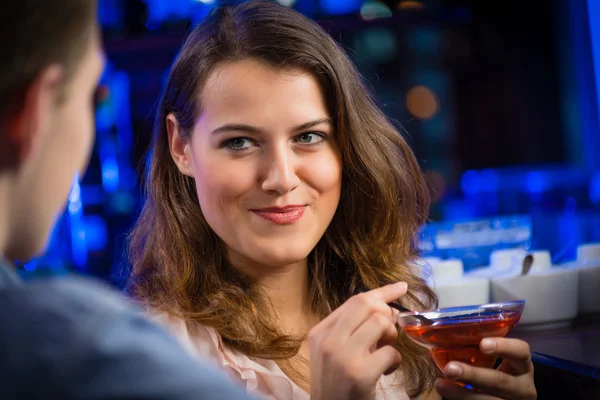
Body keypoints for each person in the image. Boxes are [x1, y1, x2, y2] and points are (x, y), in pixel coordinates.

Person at [127, 1, 537, 400]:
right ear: (181, 147)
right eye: (239, 142)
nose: (281, 179)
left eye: (308, 137)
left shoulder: (399, 306)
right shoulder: (153, 362)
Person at [0, 1, 257, 399]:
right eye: (91, 97)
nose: (281, 177)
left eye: (308, 137)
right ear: (34, 112)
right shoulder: (76, 347)